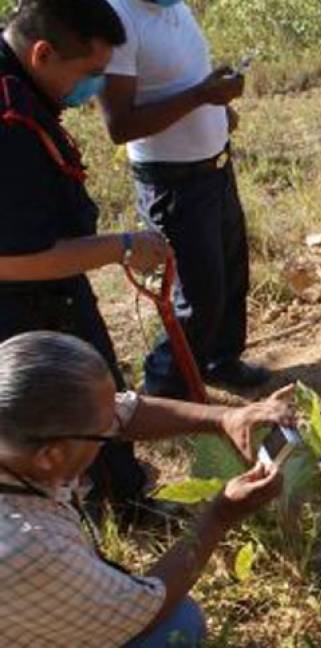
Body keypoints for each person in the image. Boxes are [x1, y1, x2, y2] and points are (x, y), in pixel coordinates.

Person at [0, 331, 291, 646]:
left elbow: (124, 412)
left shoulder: (20, 439)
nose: (115, 422)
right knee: (178, 625)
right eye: (104, 432)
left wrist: (227, 418)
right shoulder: (30, 546)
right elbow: (143, 610)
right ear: (50, 456)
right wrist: (221, 515)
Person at [0, 0, 173, 519]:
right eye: (91, 74)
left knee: (93, 397)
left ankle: (123, 496)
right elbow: (13, 259)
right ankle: (96, 520)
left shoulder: (22, 84)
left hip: (53, 291)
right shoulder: (8, 125)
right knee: (70, 409)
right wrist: (121, 247)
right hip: (24, 310)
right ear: (43, 53)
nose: (95, 88)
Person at [98, 0, 269, 400]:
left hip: (214, 169)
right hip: (173, 183)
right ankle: (164, 392)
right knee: (198, 295)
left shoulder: (176, 9)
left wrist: (219, 110)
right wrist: (202, 97)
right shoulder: (118, 17)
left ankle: (219, 362)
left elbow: (185, 80)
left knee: (229, 276)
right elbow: (120, 125)